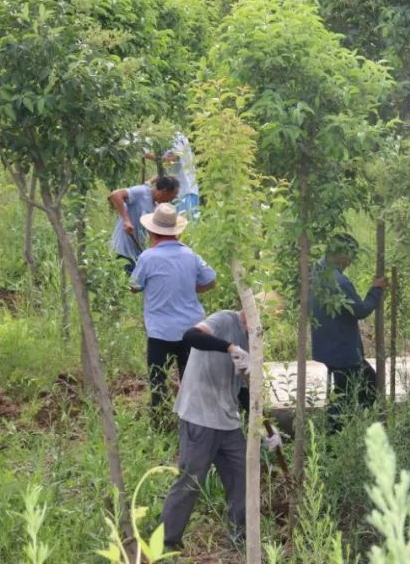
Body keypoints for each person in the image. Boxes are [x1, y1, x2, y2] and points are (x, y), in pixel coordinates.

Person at [160, 309, 281, 552]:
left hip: (227, 422)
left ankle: (240, 538)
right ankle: (166, 543)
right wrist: (229, 348)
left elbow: (244, 392)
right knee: (190, 481)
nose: (260, 326)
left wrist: (266, 426)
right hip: (199, 416)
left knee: (243, 477)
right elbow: (191, 336)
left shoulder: (253, 340)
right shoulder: (225, 320)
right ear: (248, 311)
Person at [130, 203, 216, 415]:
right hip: (192, 329)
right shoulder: (190, 255)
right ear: (177, 231)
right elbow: (211, 281)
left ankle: (160, 420)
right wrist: (189, 287)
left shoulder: (147, 257)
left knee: (158, 380)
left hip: (161, 331)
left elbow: (134, 286)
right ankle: (193, 419)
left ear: (152, 232)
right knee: (191, 380)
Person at [309, 233, 387, 430]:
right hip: (343, 351)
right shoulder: (339, 282)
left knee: (352, 389)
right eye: (350, 256)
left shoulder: (315, 270)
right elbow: (360, 310)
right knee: (358, 392)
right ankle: (339, 436)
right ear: (341, 254)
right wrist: (375, 290)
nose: (350, 262)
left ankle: (351, 428)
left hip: (325, 347)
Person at [109, 175, 179, 274]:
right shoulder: (142, 192)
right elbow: (115, 195)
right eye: (171, 197)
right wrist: (126, 220)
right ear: (164, 191)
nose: (170, 201)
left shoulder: (156, 207)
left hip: (136, 253)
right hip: (122, 250)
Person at [147, 132, 200, 219]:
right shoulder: (167, 141)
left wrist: (148, 154)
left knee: (186, 223)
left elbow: (171, 159)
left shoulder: (176, 137)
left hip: (186, 192)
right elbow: (169, 171)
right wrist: (150, 181)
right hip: (175, 194)